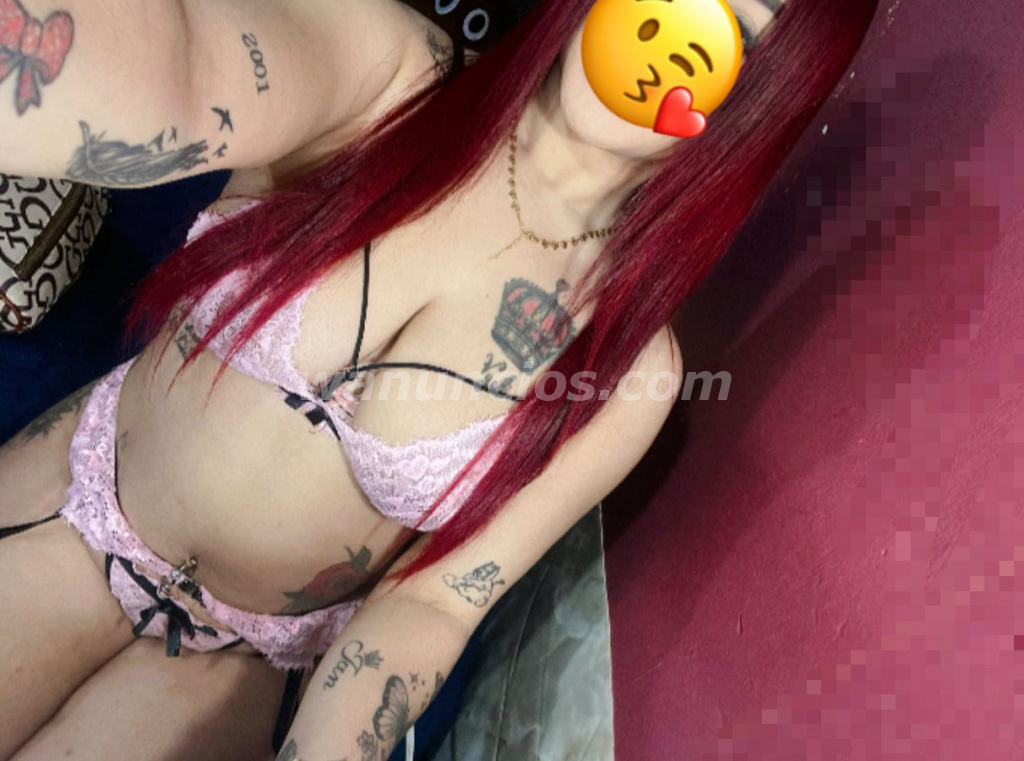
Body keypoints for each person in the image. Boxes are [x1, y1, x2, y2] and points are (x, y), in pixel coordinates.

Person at [0, 0, 876, 758]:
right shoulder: (388, 76)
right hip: (77, 502)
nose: (669, 35)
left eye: (730, 35)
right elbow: (186, 68)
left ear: (757, 100)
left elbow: (435, 604)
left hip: (236, 658)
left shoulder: (628, 369)